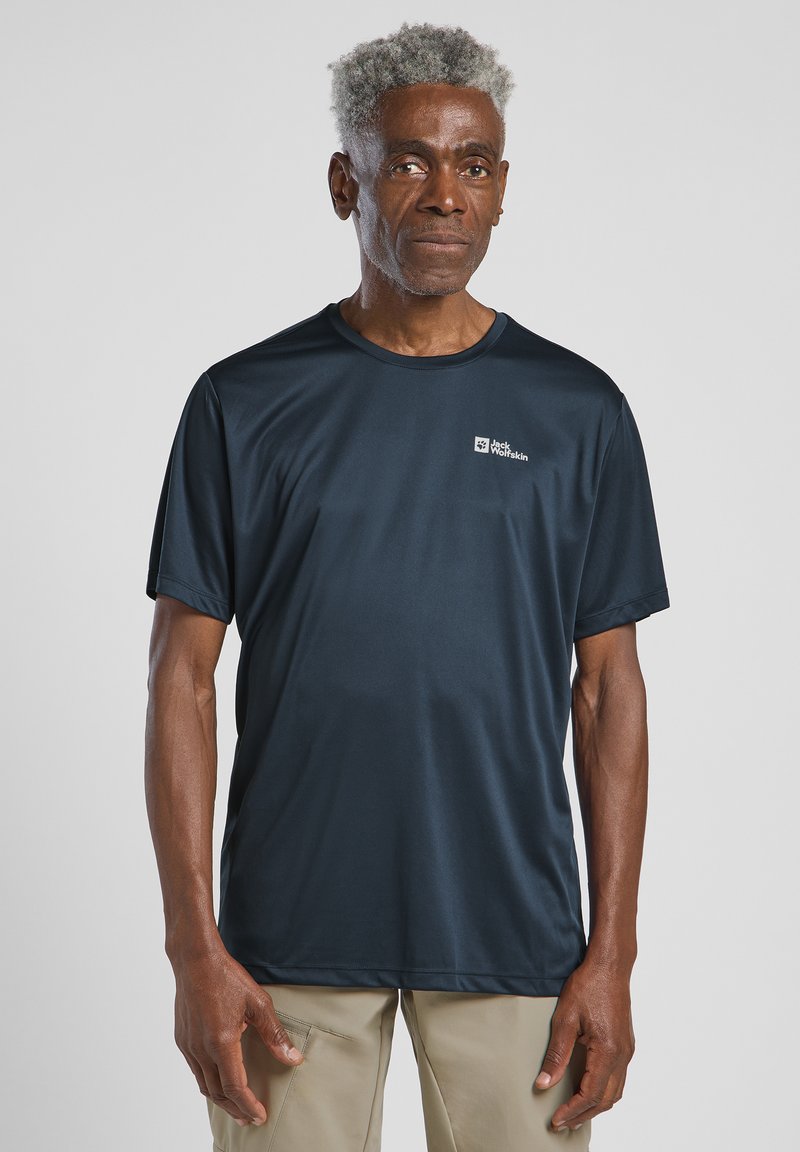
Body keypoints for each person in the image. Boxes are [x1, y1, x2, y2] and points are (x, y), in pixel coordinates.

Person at [144, 20, 670, 1152]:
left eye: (473, 165)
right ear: (346, 182)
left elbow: (607, 691)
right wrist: (194, 951)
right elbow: (181, 681)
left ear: (501, 190)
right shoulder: (243, 403)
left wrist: (613, 957)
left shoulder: (578, 412)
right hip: (284, 945)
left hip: (514, 937)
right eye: (409, 163)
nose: (444, 195)